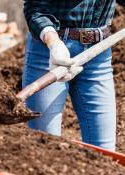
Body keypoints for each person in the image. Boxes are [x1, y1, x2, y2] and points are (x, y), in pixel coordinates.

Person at [22, 0, 125, 151]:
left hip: (99, 53)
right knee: (45, 149)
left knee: (105, 154)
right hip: (50, 52)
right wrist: (53, 43)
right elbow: (35, 6)